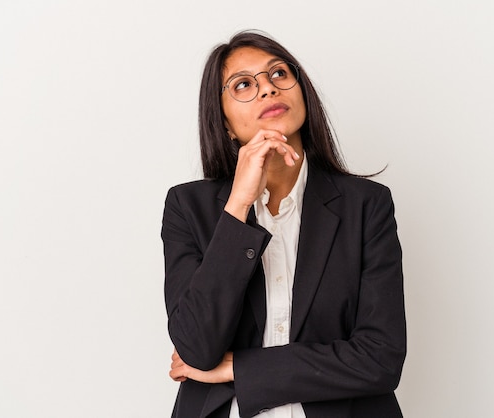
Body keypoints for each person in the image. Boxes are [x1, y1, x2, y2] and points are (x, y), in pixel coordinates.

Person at [161, 29, 406, 418]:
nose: (268, 90)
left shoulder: (367, 206)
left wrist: (241, 370)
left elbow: (380, 358)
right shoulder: (187, 207)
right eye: (243, 84)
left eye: (278, 75)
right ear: (223, 121)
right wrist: (238, 206)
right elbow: (195, 347)